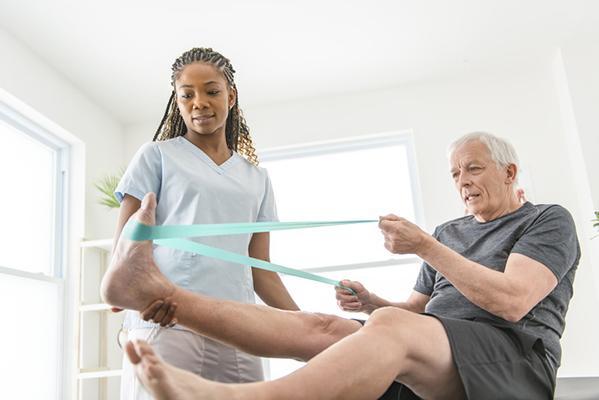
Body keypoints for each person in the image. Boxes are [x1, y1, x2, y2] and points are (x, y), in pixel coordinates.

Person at [102, 132, 580, 400]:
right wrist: (373, 303)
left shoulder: (547, 220)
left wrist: (422, 247)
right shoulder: (450, 233)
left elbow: (513, 301)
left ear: (509, 173)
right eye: (455, 173)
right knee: (325, 326)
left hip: (514, 361)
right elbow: (414, 314)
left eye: (472, 168)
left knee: (388, 326)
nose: (462, 182)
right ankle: (153, 293)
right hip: (441, 353)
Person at [112, 47, 299, 399]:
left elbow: (261, 270)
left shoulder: (257, 178)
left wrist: (310, 325)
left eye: (211, 91)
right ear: (177, 102)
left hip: (239, 326)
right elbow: (124, 248)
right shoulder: (156, 157)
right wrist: (140, 296)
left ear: (231, 95)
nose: (199, 102)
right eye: (187, 94)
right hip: (169, 321)